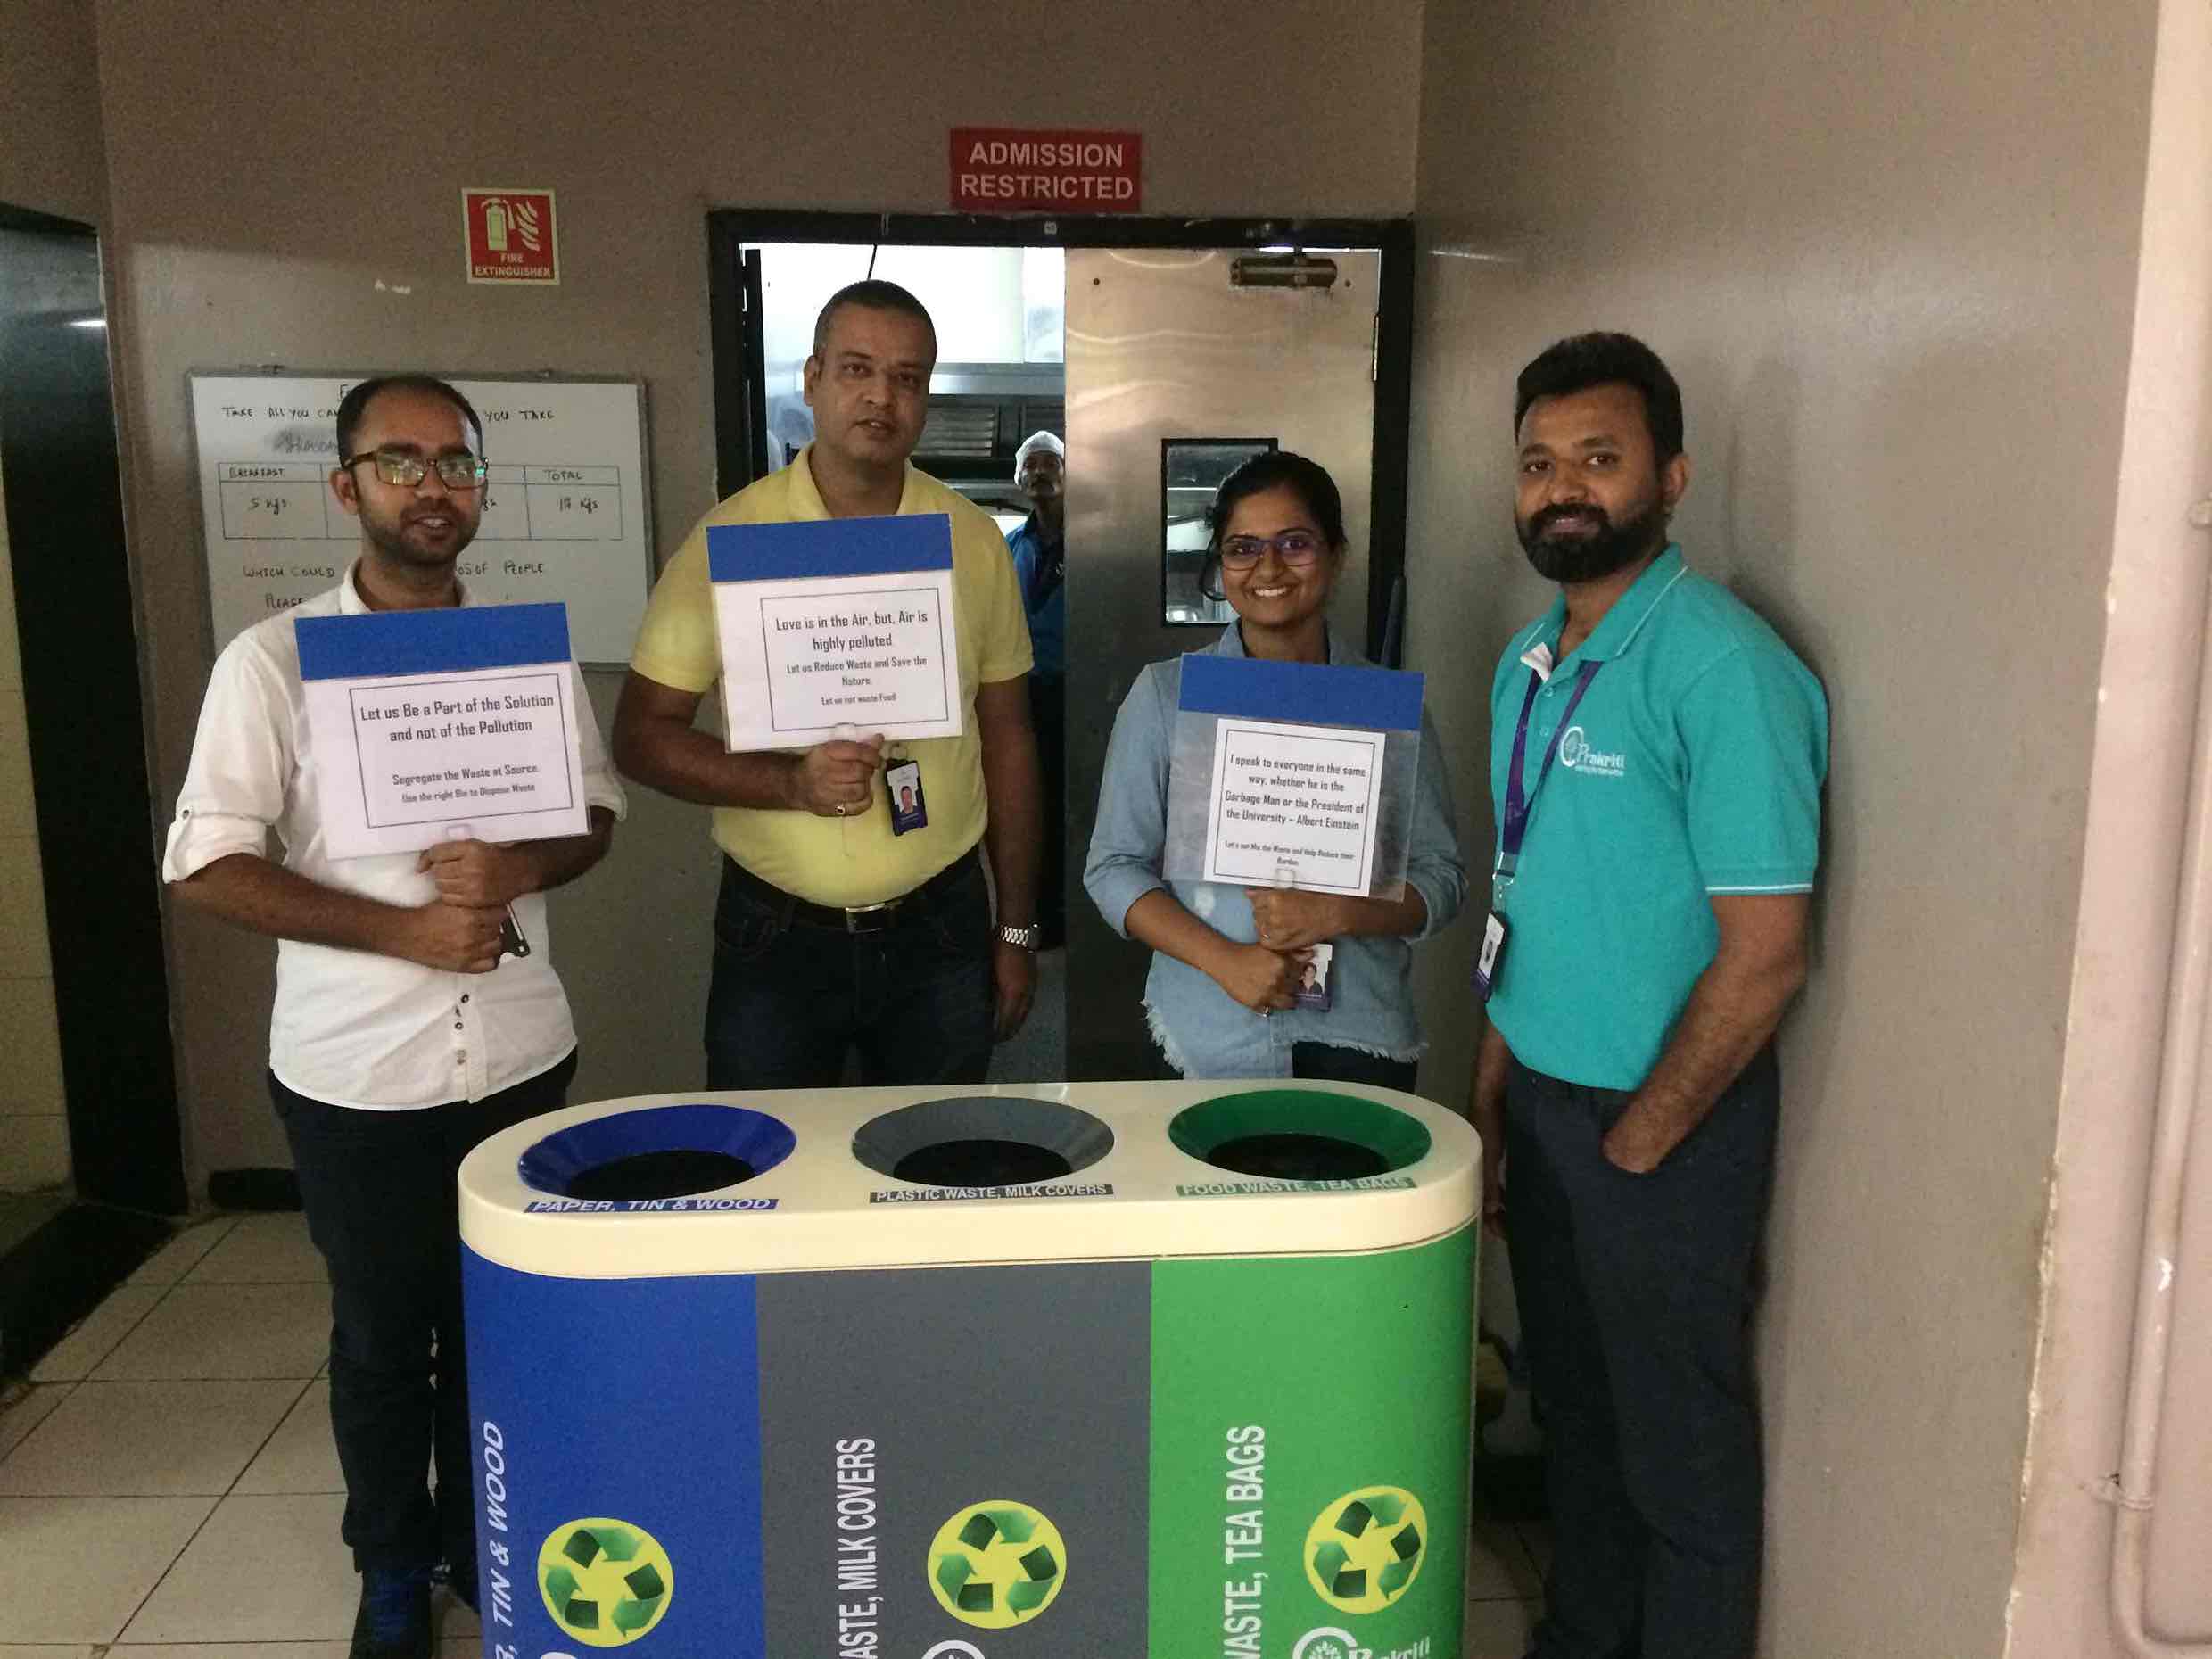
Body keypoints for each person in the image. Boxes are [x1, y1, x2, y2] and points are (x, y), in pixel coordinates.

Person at [162, 375, 624, 1659]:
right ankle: (389, 1564)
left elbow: (592, 816)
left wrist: (526, 866)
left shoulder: (525, 647)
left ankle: (488, 1542)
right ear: (347, 486)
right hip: (356, 1068)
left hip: (523, 1048)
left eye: (456, 462)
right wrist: (404, 931)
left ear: (484, 484)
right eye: (401, 460)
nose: (434, 485)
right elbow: (205, 863)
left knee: (499, 1323)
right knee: (382, 1336)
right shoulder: (270, 662)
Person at [1465, 333, 1827, 1659]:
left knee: (1680, 1471)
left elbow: (1767, 952)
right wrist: (1499, 1080)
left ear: (1669, 477)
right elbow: (1534, 891)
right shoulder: (1531, 664)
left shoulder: (1720, 667)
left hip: (1665, 1128)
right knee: (1580, 1426)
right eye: (1539, 462)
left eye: (1599, 460)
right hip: (1551, 1111)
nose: (1564, 488)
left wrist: (1640, 1140)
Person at [615, 280, 1042, 1088]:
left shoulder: (973, 540)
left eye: (908, 377)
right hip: (776, 931)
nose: (882, 395)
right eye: (856, 369)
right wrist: (786, 781)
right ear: (811, 379)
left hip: (942, 924)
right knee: (766, 1173)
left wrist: (1016, 929)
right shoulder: (731, 539)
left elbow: (1010, 736)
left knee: (934, 1170)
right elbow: (640, 736)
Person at [1085, 450, 1465, 1083]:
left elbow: (1442, 880)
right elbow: (1112, 869)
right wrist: (1227, 961)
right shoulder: (1165, 697)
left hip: (1359, 1032)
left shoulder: (1386, 707)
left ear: (1337, 553)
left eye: (1295, 543)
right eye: (1242, 548)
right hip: (1209, 1034)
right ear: (1222, 565)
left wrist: (1342, 912)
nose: (1267, 567)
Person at [1003, 430, 1068, 947]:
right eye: (1032, 466)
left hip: (1079, 692)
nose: (1041, 473)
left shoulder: (1093, 544)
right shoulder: (1009, 547)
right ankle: (1040, 918)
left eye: (1051, 464)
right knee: (1031, 803)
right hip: (1024, 696)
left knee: (1075, 802)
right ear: (1018, 478)